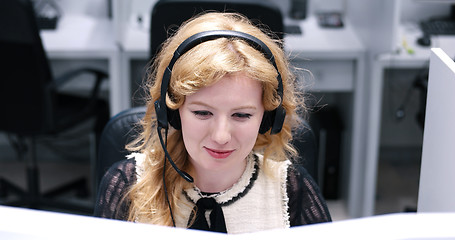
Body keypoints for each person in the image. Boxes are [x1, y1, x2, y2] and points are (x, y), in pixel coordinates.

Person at [94, 12, 331, 234]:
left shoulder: (293, 190)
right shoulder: (127, 184)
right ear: (172, 112)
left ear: (268, 118)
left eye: (241, 115)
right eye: (202, 113)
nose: (220, 136)